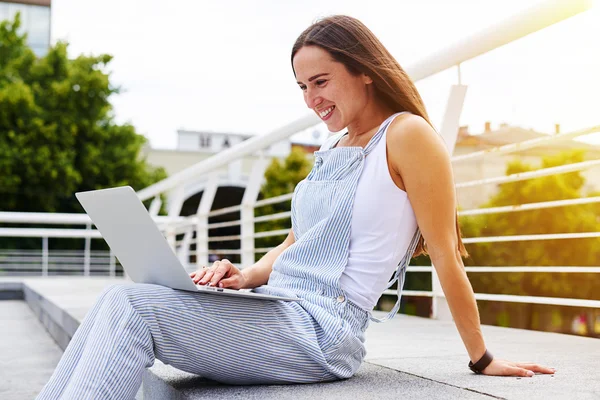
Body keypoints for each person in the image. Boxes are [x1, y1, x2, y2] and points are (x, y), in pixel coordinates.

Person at [37, 15, 555, 400]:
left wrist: (482, 357)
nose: (312, 99)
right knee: (118, 297)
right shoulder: (331, 147)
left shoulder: (408, 135)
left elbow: (444, 252)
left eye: (321, 82)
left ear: (365, 72)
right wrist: (246, 276)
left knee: (132, 310)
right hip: (279, 310)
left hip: (322, 332)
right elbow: (297, 239)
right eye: (303, 87)